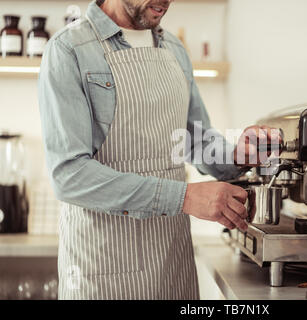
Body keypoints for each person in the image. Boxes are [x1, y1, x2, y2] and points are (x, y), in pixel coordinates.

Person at [38, 0, 281, 300]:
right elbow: (69, 175)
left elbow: (193, 139)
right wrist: (185, 197)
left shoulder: (174, 49)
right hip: (103, 271)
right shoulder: (69, 49)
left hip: (171, 268)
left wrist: (236, 155)